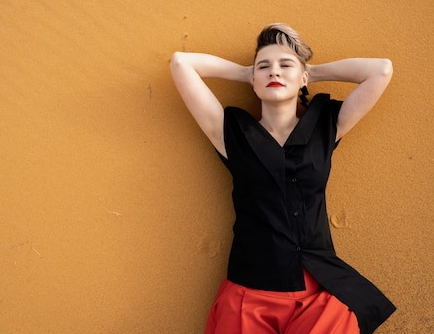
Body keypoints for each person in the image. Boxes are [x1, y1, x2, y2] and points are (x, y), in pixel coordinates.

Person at [170, 23, 396, 334]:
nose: (274, 72)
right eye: (264, 67)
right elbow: (182, 64)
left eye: (285, 65)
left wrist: (308, 72)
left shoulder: (327, 125)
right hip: (250, 293)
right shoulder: (229, 132)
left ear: (302, 76)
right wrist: (248, 72)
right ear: (253, 77)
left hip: (319, 292)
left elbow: (381, 70)